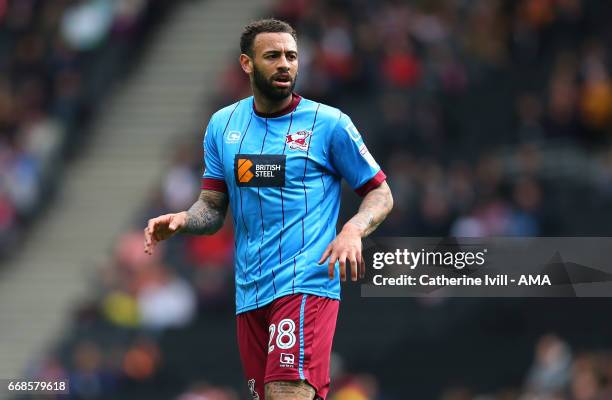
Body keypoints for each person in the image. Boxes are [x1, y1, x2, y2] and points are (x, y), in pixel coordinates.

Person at [143, 18, 393, 400]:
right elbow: (212, 208)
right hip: (250, 292)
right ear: (247, 63)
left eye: (292, 56)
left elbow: (380, 193)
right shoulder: (222, 125)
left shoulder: (329, 124)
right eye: (273, 55)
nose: (285, 65)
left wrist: (353, 230)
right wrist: (183, 220)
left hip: (306, 280)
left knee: (285, 391)